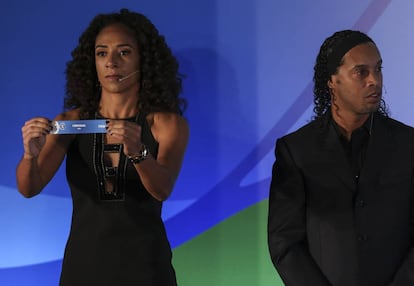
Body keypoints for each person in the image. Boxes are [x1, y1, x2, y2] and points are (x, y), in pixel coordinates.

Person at [16, 8, 189, 286]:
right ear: (92, 62)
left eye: (123, 52)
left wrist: (138, 152)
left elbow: (162, 189)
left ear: (143, 60)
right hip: (83, 267)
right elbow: (28, 188)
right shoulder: (69, 122)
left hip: (146, 268)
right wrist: (29, 154)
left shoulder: (166, 124)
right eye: (101, 53)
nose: (111, 63)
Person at [267, 30, 414, 286]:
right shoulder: (296, 151)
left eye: (377, 69)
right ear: (332, 80)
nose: (374, 81)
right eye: (361, 72)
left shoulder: (408, 144)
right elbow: (285, 243)